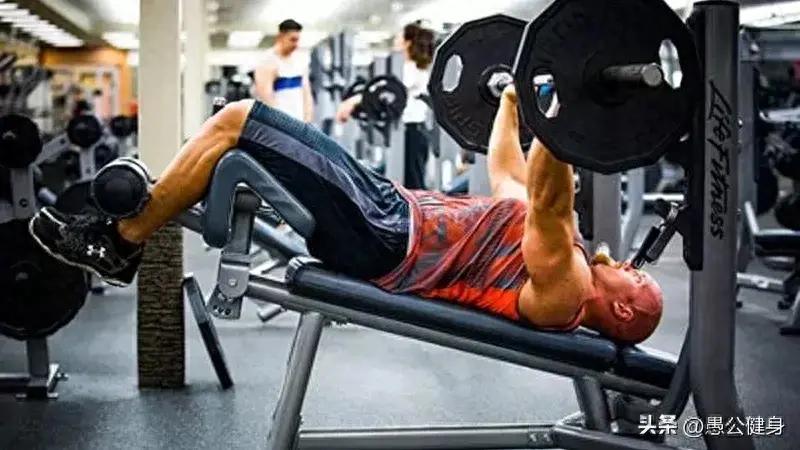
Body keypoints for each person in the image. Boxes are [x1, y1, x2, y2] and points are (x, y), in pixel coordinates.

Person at [29, 86, 663, 344]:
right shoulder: (568, 260)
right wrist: (512, 100)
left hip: (386, 240)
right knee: (233, 124)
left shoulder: (566, 293)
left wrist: (569, 109)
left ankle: (122, 242)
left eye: (639, 279)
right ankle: (125, 238)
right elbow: (510, 175)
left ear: (624, 311)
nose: (632, 266)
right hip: (388, 212)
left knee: (239, 120)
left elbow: (550, 201)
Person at [336, 22, 435, 189]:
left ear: (407, 42)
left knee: (413, 186)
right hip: (406, 133)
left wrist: (352, 102)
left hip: (412, 134)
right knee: (403, 183)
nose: (395, 40)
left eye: (399, 37)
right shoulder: (408, 67)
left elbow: (387, 90)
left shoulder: (411, 69)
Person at [253, 19, 313, 122]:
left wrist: (307, 122)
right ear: (280, 37)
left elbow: (306, 94)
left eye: (298, 40)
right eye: (292, 40)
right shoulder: (267, 61)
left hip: (299, 122)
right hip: (278, 124)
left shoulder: (300, 61)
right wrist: (281, 124)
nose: (296, 45)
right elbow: (266, 98)